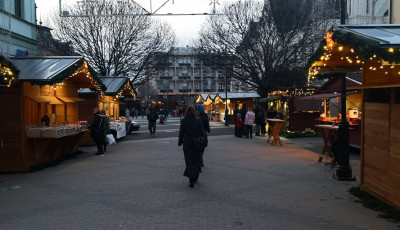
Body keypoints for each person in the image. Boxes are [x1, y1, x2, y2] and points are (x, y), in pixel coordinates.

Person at [178, 105, 204, 188]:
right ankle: (195, 176)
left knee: (189, 162)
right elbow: (202, 132)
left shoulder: (184, 121)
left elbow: (181, 133)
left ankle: (191, 180)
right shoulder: (198, 120)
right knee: (196, 161)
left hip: (187, 144)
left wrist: (180, 142)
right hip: (196, 144)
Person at [197, 103, 210, 170]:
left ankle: (200, 159)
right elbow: (207, 126)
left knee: (198, 147)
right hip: (204, 133)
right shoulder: (205, 117)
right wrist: (208, 130)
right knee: (203, 147)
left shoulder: (196, 117)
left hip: (197, 134)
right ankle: (201, 158)